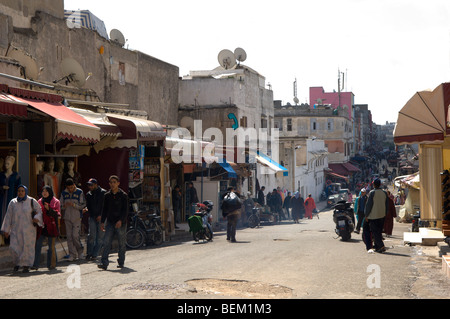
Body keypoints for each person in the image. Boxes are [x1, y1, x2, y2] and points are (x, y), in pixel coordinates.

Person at [1, 185, 43, 273]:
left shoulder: (31, 201)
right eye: (19, 191)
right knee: (14, 247)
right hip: (16, 229)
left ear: (25, 192)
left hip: (29, 229)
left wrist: (36, 217)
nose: (20, 192)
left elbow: (39, 210)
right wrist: (6, 229)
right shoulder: (13, 202)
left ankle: (26, 265)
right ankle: (17, 263)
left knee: (27, 247)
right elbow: (8, 216)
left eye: (22, 191)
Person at [98, 175, 129, 270]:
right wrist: (102, 222)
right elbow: (105, 209)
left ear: (118, 183)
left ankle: (121, 261)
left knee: (121, 243)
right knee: (106, 242)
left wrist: (121, 220)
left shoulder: (123, 196)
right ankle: (104, 263)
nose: (112, 184)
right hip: (110, 222)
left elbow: (126, 210)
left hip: (121, 223)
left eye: (114, 182)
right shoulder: (107, 196)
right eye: (111, 182)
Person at [32, 186, 61, 270]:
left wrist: (49, 209)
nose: (44, 193)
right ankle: (35, 264)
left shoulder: (56, 202)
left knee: (51, 247)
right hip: (41, 227)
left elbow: (58, 214)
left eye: (46, 191)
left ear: (50, 192)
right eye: (43, 191)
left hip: (52, 227)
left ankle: (52, 264)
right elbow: (36, 211)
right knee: (37, 245)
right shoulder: (39, 201)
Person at [60, 178, 86, 261]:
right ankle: (72, 254)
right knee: (69, 237)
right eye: (69, 188)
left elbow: (82, 205)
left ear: (74, 185)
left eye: (72, 187)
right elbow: (60, 205)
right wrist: (64, 206)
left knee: (75, 236)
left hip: (77, 217)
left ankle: (80, 252)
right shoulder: (63, 193)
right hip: (67, 217)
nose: (70, 189)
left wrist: (74, 205)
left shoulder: (79, 192)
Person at [84, 178, 106, 261]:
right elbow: (88, 205)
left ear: (96, 184)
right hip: (92, 216)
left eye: (91, 185)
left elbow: (106, 206)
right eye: (89, 185)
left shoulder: (103, 193)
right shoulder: (88, 194)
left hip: (101, 217)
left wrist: (101, 215)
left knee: (100, 237)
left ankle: (95, 254)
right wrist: (86, 209)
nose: (90, 186)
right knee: (91, 235)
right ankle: (89, 253)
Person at [364, 178, 389, 253]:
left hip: (373, 216)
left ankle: (381, 246)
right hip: (382, 215)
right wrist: (385, 213)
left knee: (375, 232)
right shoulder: (384, 193)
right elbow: (387, 205)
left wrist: (366, 215)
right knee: (379, 231)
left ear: (374, 185)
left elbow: (369, 205)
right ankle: (377, 246)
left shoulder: (372, 193)